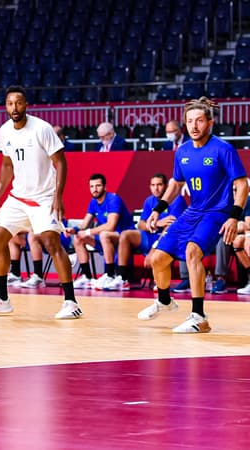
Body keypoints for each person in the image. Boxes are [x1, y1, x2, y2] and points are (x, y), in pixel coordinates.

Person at [140, 97, 248, 333]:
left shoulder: (223, 149)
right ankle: (165, 301)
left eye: (199, 120)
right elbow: (176, 185)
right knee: (157, 258)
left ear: (210, 122)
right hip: (193, 211)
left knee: (192, 252)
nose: (194, 126)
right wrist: (158, 209)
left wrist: (234, 215)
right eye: (190, 121)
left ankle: (199, 316)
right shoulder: (182, 151)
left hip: (216, 212)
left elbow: (242, 184)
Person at [0, 85, 81, 319]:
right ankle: (2, 298)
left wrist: (58, 196)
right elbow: (6, 165)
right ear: (6, 106)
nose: (14, 107)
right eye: (10, 103)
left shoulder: (41, 129)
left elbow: (61, 162)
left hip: (43, 197)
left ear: (26, 105)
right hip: (17, 197)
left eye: (19, 102)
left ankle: (71, 302)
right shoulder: (5, 131)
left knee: (51, 243)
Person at [100, 173, 187, 291]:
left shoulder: (177, 200)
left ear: (166, 186)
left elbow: (171, 228)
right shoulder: (149, 201)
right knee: (126, 235)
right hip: (150, 236)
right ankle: (122, 278)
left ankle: (161, 281)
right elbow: (141, 225)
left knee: (168, 237)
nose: (156, 188)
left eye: (159, 185)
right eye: (153, 185)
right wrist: (156, 223)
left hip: (168, 238)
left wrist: (154, 249)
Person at [70, 173, 137, 289]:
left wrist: (87, 232)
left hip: (124, 237)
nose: (94, 190)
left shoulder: (113, 199)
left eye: (98, 186)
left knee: (104, 234)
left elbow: (111, 226)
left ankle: (110, 275)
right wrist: (74, 230)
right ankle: (87, 277)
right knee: (78, 238)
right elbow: (85, 223)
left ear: (105, 187)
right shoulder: (93, 202)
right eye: (92, 186)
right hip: (106, 239)